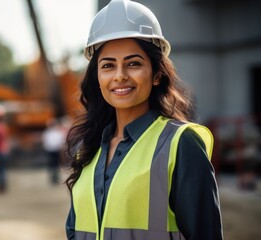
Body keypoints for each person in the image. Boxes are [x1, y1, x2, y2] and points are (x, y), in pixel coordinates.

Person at [63, 0, 223, 239]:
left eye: (133, 63)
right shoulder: (88, 150)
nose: (120, 76)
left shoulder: (180, 144)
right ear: (97, 77)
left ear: (157, 74)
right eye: (108, 65)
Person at [42, 118, 66, 185]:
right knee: (52, 165)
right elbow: (46, 141)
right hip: (50, 151)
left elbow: (61, 141)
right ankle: (52, 177)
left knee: (56, 165)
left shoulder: (57, 133)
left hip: (56, 150)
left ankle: (56, 177)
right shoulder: (47, 133)